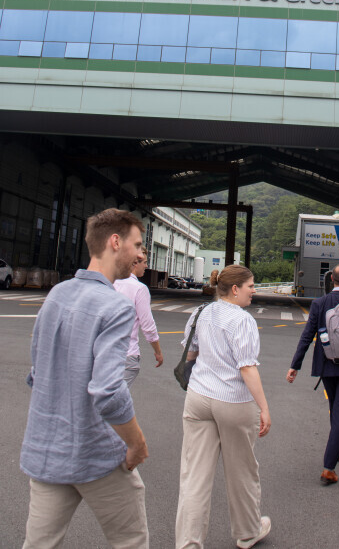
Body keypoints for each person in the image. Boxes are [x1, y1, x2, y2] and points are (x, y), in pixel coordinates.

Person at [20, 208, 150, 548]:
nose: (140, 254)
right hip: (95, 454)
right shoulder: (116, 307)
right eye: (137, 245)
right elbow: (108, 391)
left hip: (46, 451)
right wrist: (136, 443)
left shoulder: (57, 295)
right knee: (131, 540)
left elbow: (37, 373)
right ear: (115, 241)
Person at [175, 265, 271, 549]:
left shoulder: (201, 312)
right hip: (233, 401)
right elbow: (247, 368)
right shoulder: (242, 320)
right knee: (242, 471)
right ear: (235, 289)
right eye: (251, 286)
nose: (254, 291)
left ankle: (188, 543)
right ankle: (248, 532)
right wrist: (264, 408)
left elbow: (191, 353)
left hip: (198, 397)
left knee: (194, 476)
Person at [286, 263, 339, 486]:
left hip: (327, 365)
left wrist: (295, 365)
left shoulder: (319, 303)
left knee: (335, 408)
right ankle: (328, 468)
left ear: (331, 279)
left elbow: (307, 335)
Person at [114, 247, 164, 386]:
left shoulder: (111, 283)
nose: (147, 266)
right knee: (118, 397)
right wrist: (158, 352)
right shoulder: (139, 288)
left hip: (104, 354)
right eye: (145, 262)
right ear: (135, 263)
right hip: (127, 353)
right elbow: (148, 326)